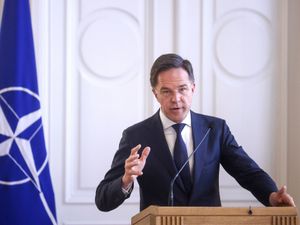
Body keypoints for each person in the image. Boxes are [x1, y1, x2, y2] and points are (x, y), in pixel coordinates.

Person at [95, 53, 295, 212]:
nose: (176, 98)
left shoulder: (215, 130)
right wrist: (126, 180)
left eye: (182, 89)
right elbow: (103, 200)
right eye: (166, 91)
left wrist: (271, 195)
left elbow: (248, 172)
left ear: (193, 88)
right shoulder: (135, 136)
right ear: (155, 93)